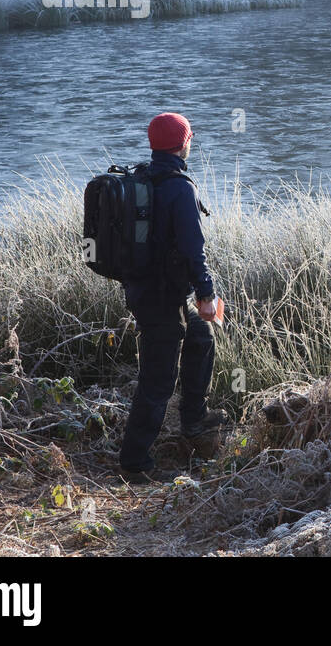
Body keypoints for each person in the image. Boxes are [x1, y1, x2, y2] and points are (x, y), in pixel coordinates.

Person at [118, 112, 226, 484]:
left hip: (143, 290)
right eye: (189, 138)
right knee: (158, 378)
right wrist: (207, 294)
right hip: (162, 298)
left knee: (200, 336)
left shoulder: (143, 177)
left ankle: (194, 420)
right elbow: (195, 250)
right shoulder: (181, 187)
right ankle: (135, 462)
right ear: (183, 143)